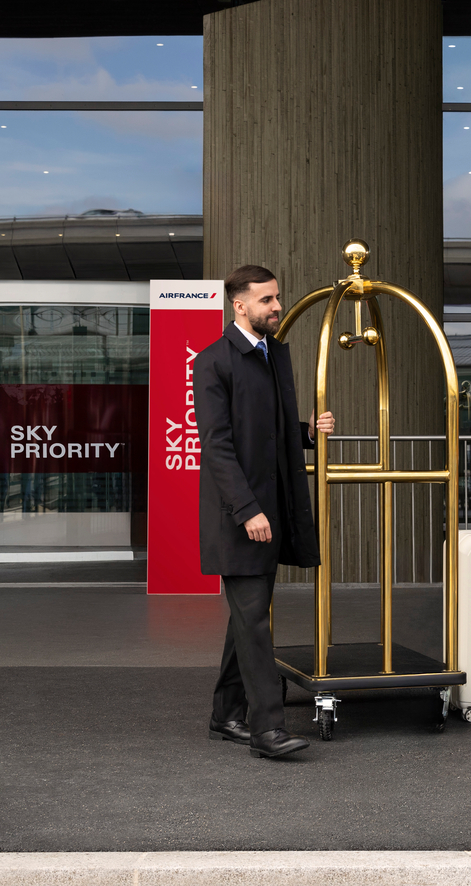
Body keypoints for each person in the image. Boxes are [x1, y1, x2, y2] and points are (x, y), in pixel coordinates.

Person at [196, 265, 335, 759]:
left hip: (272, 512)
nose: (277, 306)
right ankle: (267, 730)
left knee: (247, 618)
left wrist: (307, 432)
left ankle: (224, 715)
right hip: (241, 517)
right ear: (239, 305)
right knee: (254, 622)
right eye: (267, 300)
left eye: (277, 297)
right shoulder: (212, 361)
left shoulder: (273, 353)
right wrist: (248, 510)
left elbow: (270, 429)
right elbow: (217, 446)